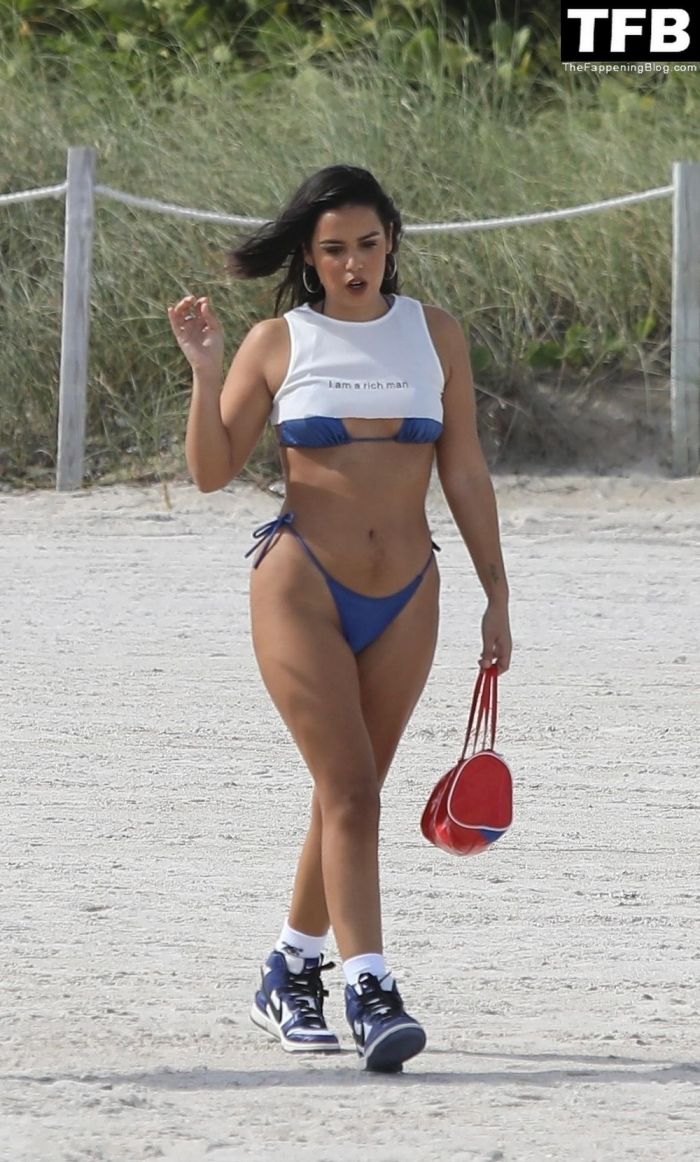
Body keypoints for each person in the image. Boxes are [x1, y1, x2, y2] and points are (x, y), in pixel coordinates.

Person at [167, 164, 511, 1073]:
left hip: (410, 593)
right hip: (302, 586)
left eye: (367, 244)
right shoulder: (278, 341)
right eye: (333, 250)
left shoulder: (435, 334)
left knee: (348, 793)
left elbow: (464, 469)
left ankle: (290, 969)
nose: (353, 264)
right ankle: (371, 988)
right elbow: (210, 471)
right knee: (352, 791)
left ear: (391, 242)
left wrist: (497, 594)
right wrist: (207, 371)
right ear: (309, 258)